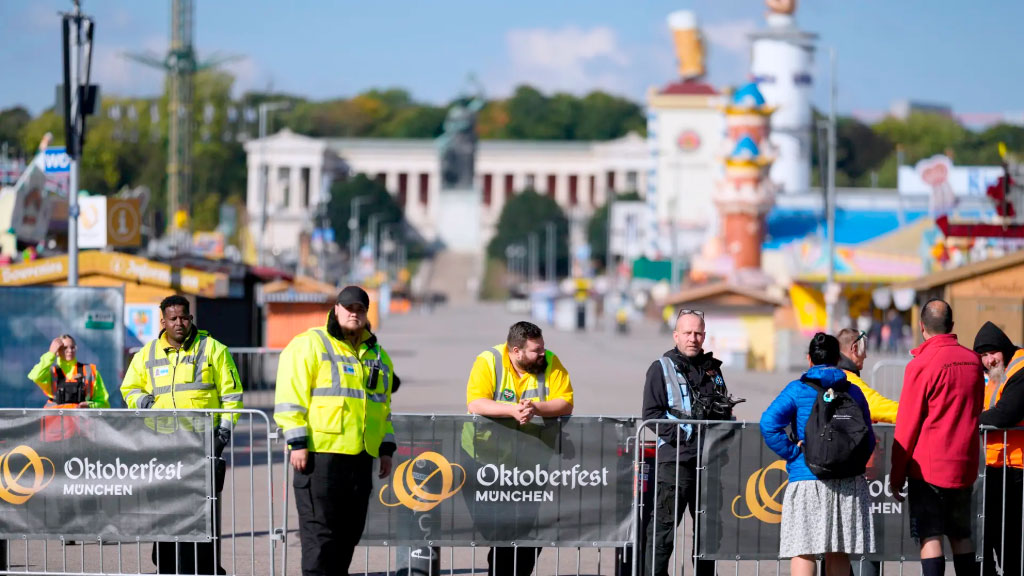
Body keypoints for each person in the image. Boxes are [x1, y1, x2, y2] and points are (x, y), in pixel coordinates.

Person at [274, 286, 396, 576]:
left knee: (349, 534)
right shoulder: (310, 344)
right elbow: (291, 395)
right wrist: (297, 441)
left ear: (367, 314)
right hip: (319, 456)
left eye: (360, 309)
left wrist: (386, 449)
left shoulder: (377, 355)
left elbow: (383, 408)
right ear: (336, 309)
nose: (354, 313)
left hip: (360, 458)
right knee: (320, 536)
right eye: (349, 308)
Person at [121, 295, 244, 575]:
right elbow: (129, 388)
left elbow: (232, 396)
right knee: (165, 511)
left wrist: (222, 434)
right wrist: (148, 404)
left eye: (184, 317)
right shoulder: (147, 353)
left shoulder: (214, 349)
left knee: (203, 514)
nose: (180, 323)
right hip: (163, 446)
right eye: (173, 318)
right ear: (163, 321)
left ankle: (206, 569)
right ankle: (167, 566)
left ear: (191, 318)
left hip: (203, 446)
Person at [464, 321, 574, 576]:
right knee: (498, 528)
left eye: (543, 347)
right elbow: (476, 403)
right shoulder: (488, 360)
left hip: (530, 462)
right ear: (516, 351)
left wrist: (535, 408)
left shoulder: (551, 362)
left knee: (528, 529)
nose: (542, 354)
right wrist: (512, 410)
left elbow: (565, 402)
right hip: (486, 459)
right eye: (536, 350)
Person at [761, 333, 875, 576]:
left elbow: (768, 424)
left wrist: (793, 452)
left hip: (807, 478)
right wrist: (853, 461)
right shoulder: (853, 391)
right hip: (847, 482)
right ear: (837, 359)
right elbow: (868, 437)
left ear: (809, 359)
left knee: (805, 550)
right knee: (839, 551)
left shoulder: (797, 389)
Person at [889, 299, 984, 576]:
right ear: (951, 326)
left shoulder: (921, 365)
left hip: (928, 469)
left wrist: (896, 475)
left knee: (931, 537)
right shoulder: (973, 361)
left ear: (922, 327)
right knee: (961, 535)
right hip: (964, 466)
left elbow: (907, 426)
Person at [642, 309, 732, 576]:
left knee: (707, 536)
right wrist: (688, 436)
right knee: (662, 533)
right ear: (676, 335)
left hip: (709, 463)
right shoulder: (660, 368)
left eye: (698, 333)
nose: (693, 338)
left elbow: (723, 410)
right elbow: (651, 415)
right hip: (675, 463)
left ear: (704, 336)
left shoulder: (713, 370)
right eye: (688, 333)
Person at [973, 321, 1024, 576]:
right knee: (989, 535)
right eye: (983, 355)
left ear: (1004, 347)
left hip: (1016, 470)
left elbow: (1006, 414)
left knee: (1012, 540)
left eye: (992, 352)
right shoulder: (998, 372)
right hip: (995, 467)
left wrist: (967, 421)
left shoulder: (1020, 369)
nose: (989, 360)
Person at [27, 333, 110, 408]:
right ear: (57, 351)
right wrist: (51, 353)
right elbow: (35, 375)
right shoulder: (51, 373)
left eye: (73, 347)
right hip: (55, 422)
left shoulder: (90, 371)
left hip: (81, 423)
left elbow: (103, 403)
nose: (70, 350)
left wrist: (90, 406)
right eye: (65, 348)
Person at [837, 328, 898, 424]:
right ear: (855, 348)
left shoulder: (831, 373)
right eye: (864, 349)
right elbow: (876, 406)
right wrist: (915, 413)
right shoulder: (847, 379)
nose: (865, 356)